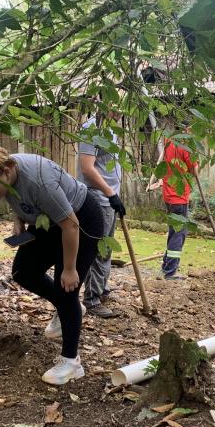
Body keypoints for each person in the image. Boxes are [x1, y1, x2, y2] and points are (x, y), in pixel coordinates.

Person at [0, 142, 103, 385]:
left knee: (67, 289)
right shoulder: (6, 170)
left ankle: (71, 363)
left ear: (7, 170)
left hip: (80, 221)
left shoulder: (40, 182)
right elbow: (20, 197)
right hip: (48, 222)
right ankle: (67, 309)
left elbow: (70, 224)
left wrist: (70, 269)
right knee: (23, 271)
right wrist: (18, 219)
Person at [76, 113, 125, 318]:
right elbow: (87, 168)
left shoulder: (110, 129)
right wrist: (110, 193)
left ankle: (100, 289)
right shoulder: (91, 129)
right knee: (99, 250)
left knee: (105, 249)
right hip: (98, 198)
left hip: (108, 199)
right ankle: (92, 300)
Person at [147, 126, 197, 279]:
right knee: (179, 234)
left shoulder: (169, 142)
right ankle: (170, 272)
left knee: (174, 232)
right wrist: (195, 161)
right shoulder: (185, 148)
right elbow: (194, 172)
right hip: (179, 196)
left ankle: (166, 265)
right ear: (187, 129)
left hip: (169, 195)